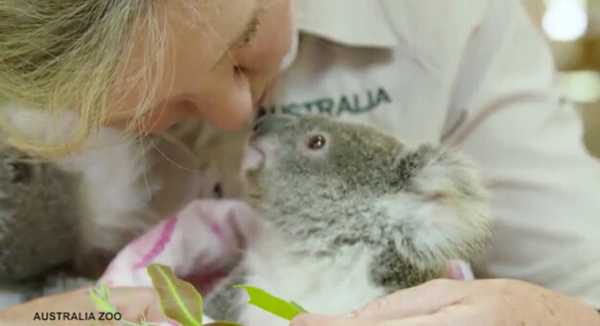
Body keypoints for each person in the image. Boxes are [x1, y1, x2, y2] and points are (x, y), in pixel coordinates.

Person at [0, 0, 599, 325]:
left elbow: (585, 283)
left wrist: (552, 320)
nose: (239, 115)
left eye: (245, 44)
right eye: (153, 105)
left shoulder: (445, 17)